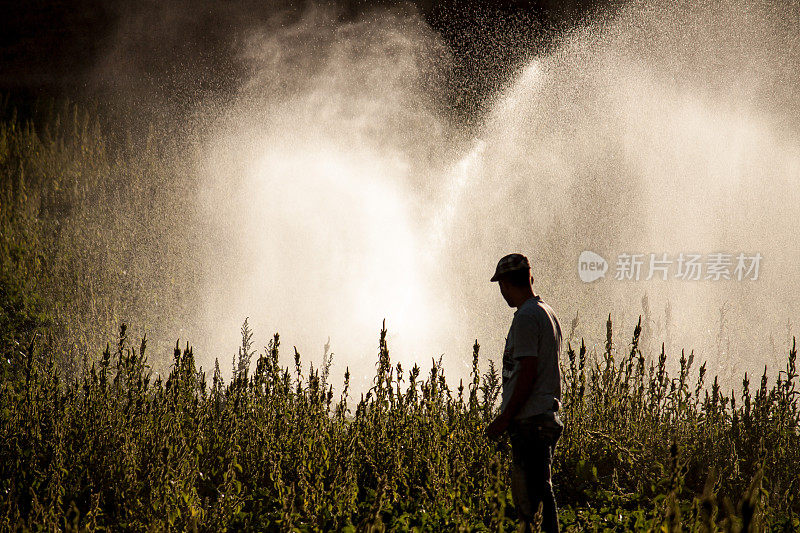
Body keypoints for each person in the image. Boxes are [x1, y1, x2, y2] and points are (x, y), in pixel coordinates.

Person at [485, 253, 563, 533]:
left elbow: (528, 372)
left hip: (531, 420)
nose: (502, 292)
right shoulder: (546, 312)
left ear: (506, 283)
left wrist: (506, 418)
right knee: (539, 488)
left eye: (501, 285)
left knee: (535, 494)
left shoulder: (527, 317)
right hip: (543, 416)